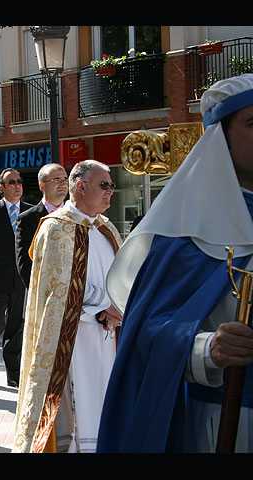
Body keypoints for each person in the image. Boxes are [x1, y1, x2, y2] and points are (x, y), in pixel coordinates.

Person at [98, 74, 253, 453]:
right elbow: (145, 334)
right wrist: (208, 349)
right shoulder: (185, 235)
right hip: (228, 423)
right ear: (220, 139)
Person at [13, 159, 122, 453]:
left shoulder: (106, 228)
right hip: (72, 339)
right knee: (77, 407)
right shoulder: (56, 229)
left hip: (107, 336)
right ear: (80, 186)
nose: (111, 191)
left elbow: (123, 276)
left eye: (111, 185)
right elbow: (54, 292)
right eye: (105, 185)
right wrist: (100, 307)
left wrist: (118, 306)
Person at [0, 168, 33, 389]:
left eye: (19, 181)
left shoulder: (30, 212)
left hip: (20, 281)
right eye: (11, 182)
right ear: (1, 187)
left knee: (16, 326)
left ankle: (13, 373)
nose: (17, 185)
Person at [15, 163, 68, 289]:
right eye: (56, 180)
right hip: (44, 292)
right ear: (42, 185)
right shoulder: (27, 219)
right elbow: (25, 264)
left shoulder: (76, 214)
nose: (62, 183)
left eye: (65, 179)